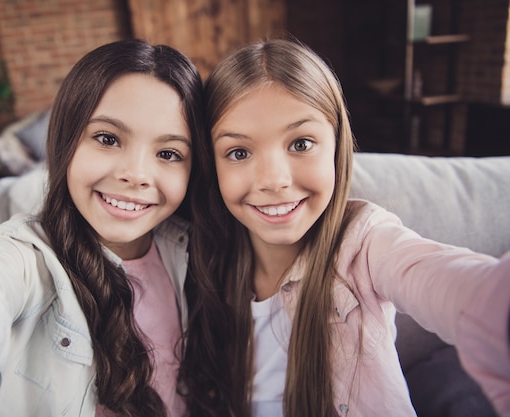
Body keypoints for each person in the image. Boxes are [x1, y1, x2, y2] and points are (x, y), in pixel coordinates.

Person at [181, 38, 510, 417]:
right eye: (239, 153)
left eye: (301, 144)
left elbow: (461, 288)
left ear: (337, 148)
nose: (273, 180)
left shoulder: (365, 244)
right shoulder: (202, 253)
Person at [0, 38, 206, 417]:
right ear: (65, 142)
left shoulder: (186, 245)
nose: (135, 174)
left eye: (168, 153)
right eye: (107, 138)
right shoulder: (30, 259)